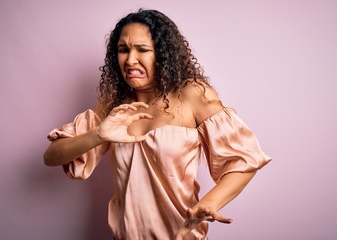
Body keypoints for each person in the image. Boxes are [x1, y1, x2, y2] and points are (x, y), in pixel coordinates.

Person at [43, 9, 271, 240]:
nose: (130, 60)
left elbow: (244, 160)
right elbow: (51, 156)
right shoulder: (115, 105)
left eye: (142, 49)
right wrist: (99, 135)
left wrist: (209, 203)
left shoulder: (191, 94)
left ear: (163, 54)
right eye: (123, 50)